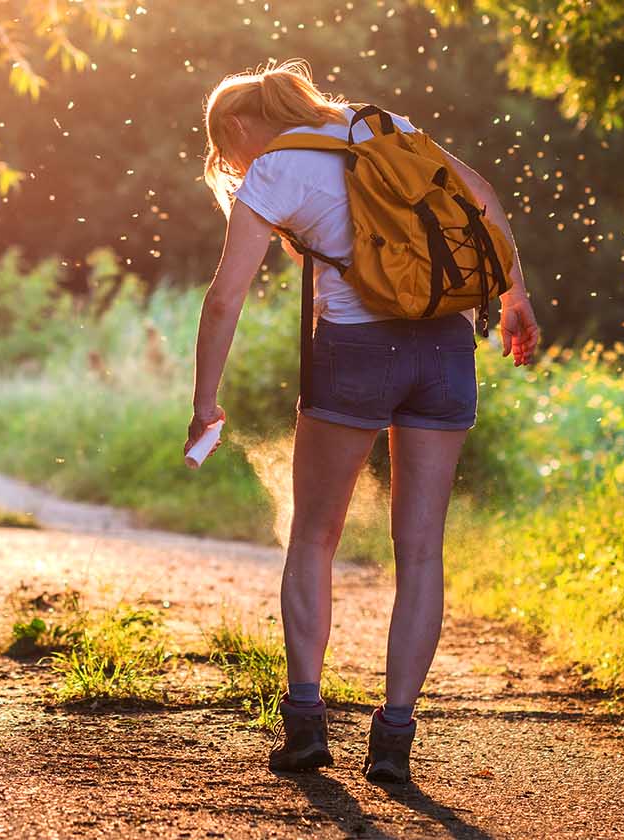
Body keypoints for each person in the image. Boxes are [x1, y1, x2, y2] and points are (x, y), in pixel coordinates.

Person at [184, 60, 540, 783]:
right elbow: (482, 194)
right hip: (445, 348)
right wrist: (514, 298)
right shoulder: (384, 127)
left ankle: (306, 728)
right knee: (421, 552)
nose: (233, 164)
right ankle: (395, 740)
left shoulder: (276, 169)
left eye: (227, 149)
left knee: (314, 537)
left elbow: (224, 299)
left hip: (355, 351)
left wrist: (204, 402)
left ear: (241, 127)